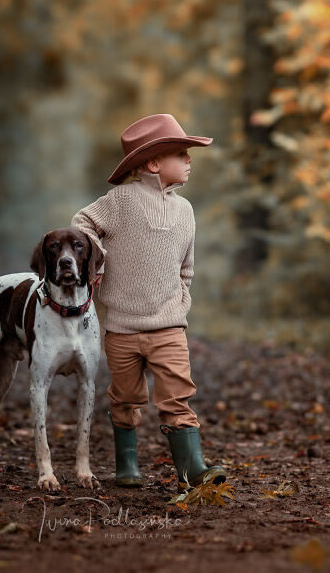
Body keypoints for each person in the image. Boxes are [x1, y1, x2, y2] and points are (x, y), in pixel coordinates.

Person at [70, 113, 226, 491]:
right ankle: (127, 466)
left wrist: (181, 299)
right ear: (154, 163)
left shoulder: (185, 211)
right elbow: (81, 224)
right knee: (124, 399)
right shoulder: (120, 201)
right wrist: (97, 261)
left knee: (177, 395)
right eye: (181, 153)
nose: (189, 160)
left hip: (169, 326)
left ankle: (192, 469)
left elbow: (186, 266)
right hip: (121, 328)